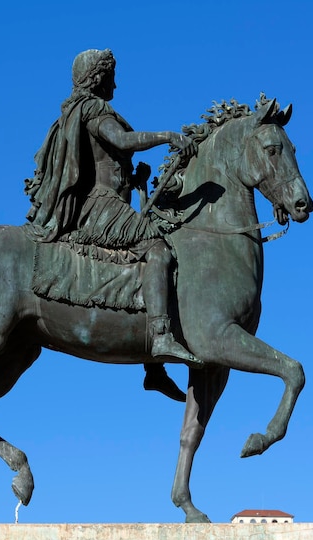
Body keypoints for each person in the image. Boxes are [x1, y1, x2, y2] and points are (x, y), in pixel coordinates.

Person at [25, 48, 201, 374]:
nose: (115, 86)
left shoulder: (81, 110)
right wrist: (167, 136)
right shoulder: (92, 108)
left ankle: (154, 369)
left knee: (145, 257)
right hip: (99, 206)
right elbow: (120, 140)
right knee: (159, 250)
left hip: (109, 201)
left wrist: (137, 181)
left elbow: (107, 162)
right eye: (112, 78)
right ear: (99, 77)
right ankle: (161, 337)